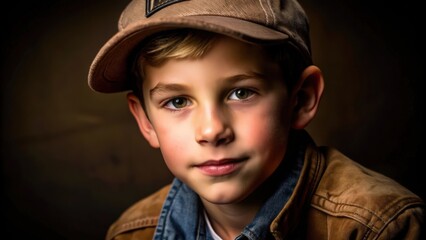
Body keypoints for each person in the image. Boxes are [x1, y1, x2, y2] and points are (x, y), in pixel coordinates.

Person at [87, 0, 425, 239]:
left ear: (301, 99)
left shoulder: (375, 227)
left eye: (241, 93)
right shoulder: (133, 233)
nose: (212, 130)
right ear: (145, 120)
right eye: (177, 101)